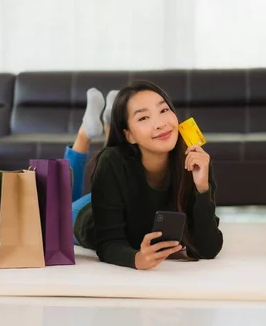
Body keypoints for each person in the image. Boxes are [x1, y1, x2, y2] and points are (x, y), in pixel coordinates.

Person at [63, 82, 223, 270]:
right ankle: (85, 132)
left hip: (118, 191)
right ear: (129, 135)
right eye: (144, 117)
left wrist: (202, 188)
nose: (160, 124)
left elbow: (209, 248)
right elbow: (109, 243)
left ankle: (109, 121)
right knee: (59, 207)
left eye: (163, 110)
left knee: (117, 160)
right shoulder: (112, 161)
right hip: (87, 214)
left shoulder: (194, 159)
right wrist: (136, 259)